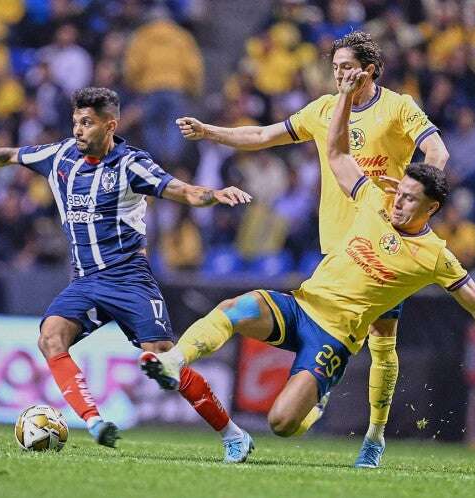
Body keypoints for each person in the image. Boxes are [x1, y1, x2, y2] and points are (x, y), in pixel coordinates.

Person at [141, 70, 475, 469]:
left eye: (410, 199)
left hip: (334, 336)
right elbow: (336, 152)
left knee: (283, 422)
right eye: (400, 192)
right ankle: (175, 361)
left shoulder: (434, 255)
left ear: (431, 209)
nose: (398, 201)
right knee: (236, 307)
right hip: (302, 306)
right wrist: (342, 95)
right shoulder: (374, 198)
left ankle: (368, 433)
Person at [0, 87, 255, 463]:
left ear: (110, 125)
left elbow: (181, 191)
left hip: (130, 278)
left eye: (87, 123)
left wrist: (214, 194)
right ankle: (95, 421)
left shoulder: (131, 163)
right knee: (50, 336)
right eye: (75, 122)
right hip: (85, 282)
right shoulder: (59, 156)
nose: (78, 130)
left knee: (166, 360)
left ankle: (234, 435)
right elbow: (7, 155)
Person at [175, 31, 450, 467]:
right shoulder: (323, 110)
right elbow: (264, 134)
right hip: (336, 247)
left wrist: (420, 190)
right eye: (335, 67)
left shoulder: (399, 107)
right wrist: (211, 132)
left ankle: (375, 437)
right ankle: (316, 389)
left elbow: (437, 150)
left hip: (382, 245)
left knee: (383, 341)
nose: (339, 74)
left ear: (369, 70)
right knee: (319, 328)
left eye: (347, 67)